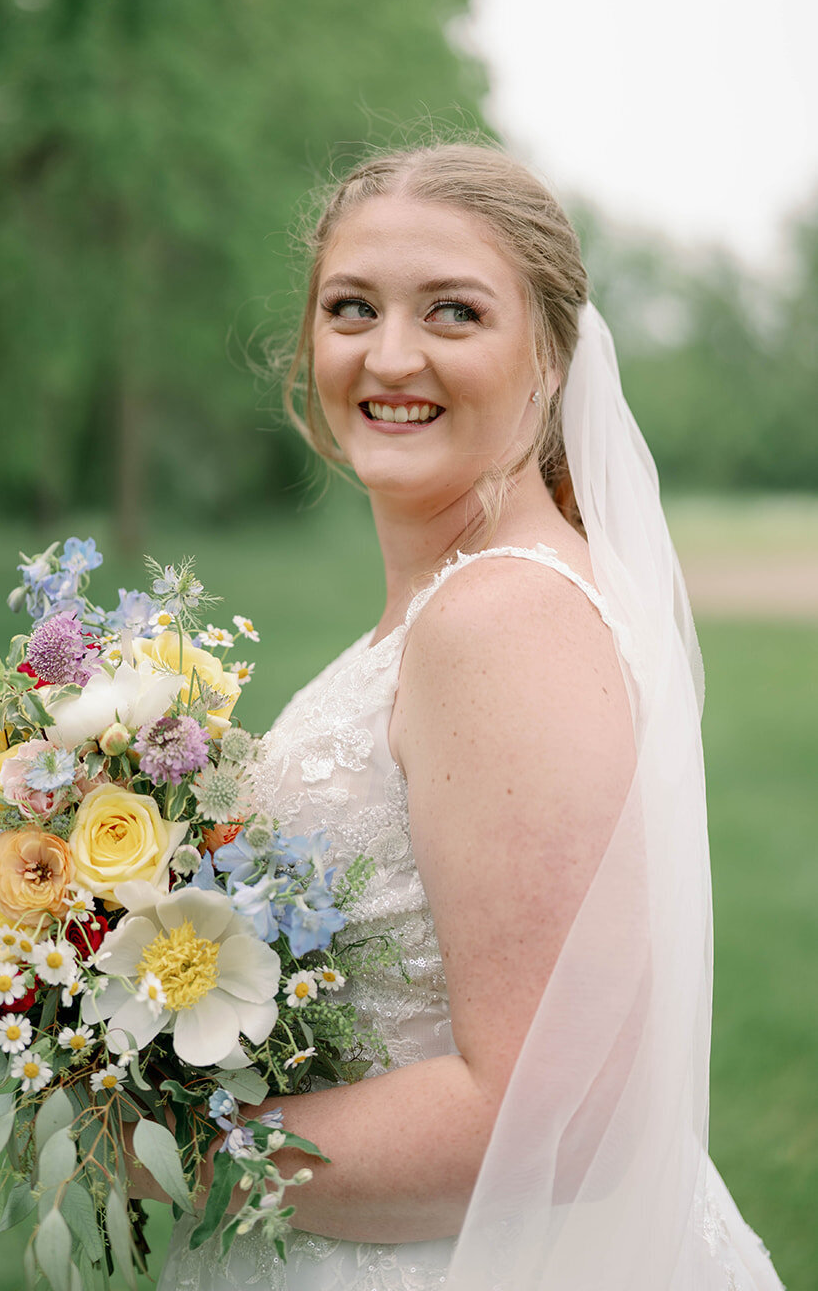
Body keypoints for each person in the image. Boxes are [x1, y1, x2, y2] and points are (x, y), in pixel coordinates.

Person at [153, 141, 784, 1290]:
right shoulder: (459, 605)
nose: (389, 355)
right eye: (351, 308)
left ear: (550, 356)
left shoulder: (497, 621)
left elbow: (550, 1115)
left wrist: (163, 1146)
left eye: (452, 311)